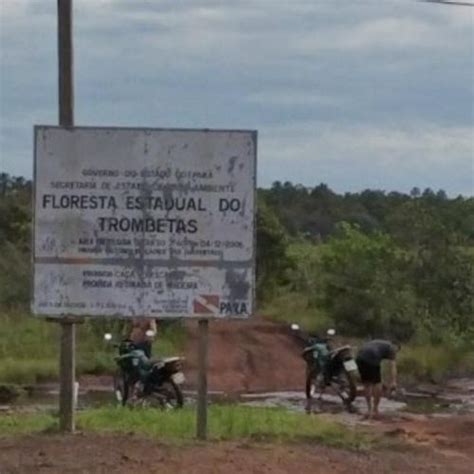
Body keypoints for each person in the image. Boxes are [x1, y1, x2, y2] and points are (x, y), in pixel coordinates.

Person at [356, 339, 400, 419]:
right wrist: (393, 381)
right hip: (372, 356)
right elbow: (393, 367)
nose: (395, 354)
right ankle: (375, 410)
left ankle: (369, 409)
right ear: (396, 347)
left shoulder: (379, 343)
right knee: (377, 383)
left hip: (360, 357)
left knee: (367, 384)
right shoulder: (392, 348)